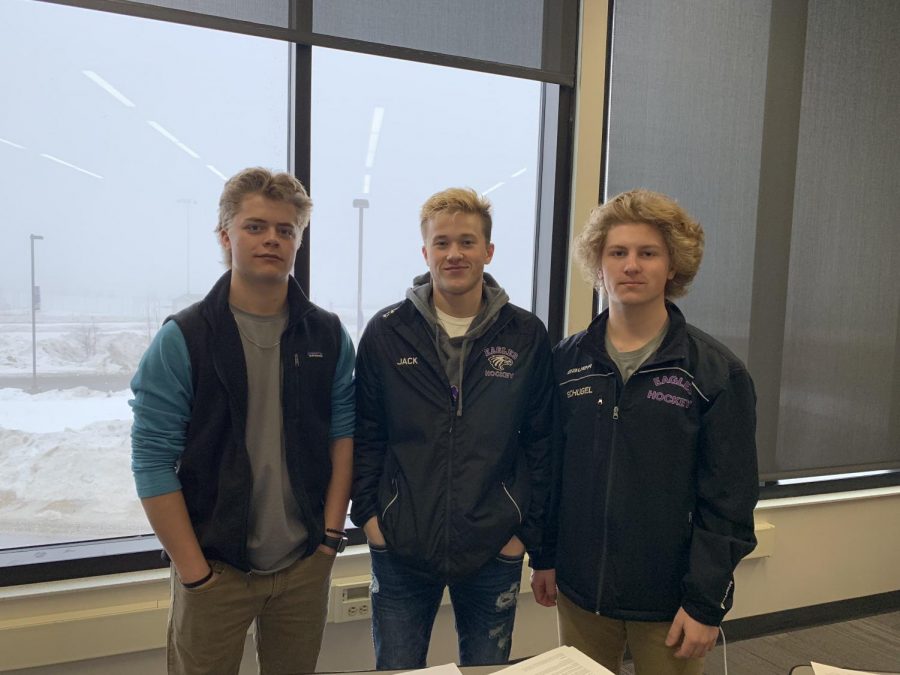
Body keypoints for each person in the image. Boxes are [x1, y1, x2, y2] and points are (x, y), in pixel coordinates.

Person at [130, 167, 354, 675]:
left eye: (285, 229)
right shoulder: (183, 339)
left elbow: (344, 437)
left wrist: (329, 539)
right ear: (225, 235)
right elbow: (152, 460)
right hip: (213, 572)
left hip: (303, 566)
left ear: (298, 240)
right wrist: (194, 574)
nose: (271, 239)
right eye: (255, 227)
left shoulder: (327, 335)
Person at [531, 189, 758, 674]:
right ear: (599, 265)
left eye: (647, 253)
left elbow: (730, 501)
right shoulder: (566, 362)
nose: (631, 265)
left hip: (671, 602)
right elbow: (549, 473)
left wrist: (705, 604)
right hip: (580, 591)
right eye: (618, 252)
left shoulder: (717, 374)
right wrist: (544, 557)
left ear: (672, 266)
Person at [351, 187, 554, 669]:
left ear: (488, 251)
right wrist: (372, 521)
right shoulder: (387, 330)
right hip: (400, 546)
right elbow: (366, 434)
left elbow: (544, 441)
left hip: (494, 547)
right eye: (442, 243)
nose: (454, 254)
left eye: (467, 242)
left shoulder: (525, 335)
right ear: (426, 252)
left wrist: (523, 533)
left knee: (487, 670)